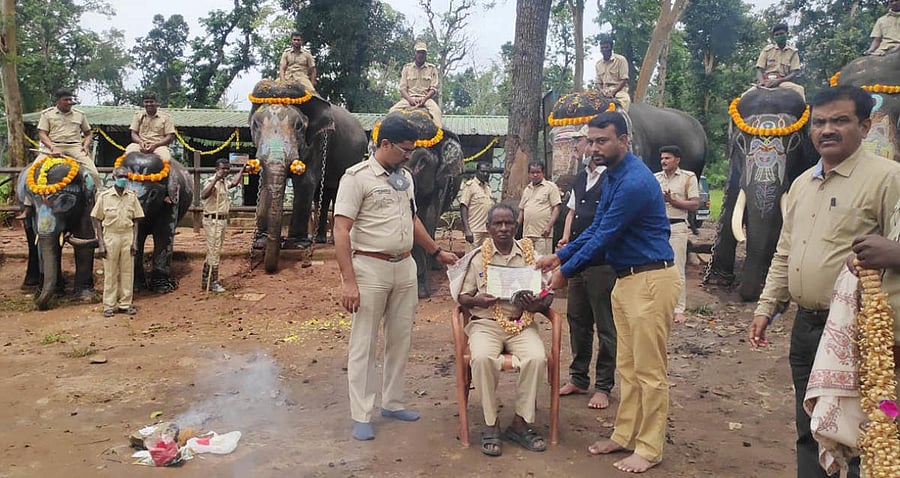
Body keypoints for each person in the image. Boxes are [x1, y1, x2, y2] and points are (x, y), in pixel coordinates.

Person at [747, 85, 900, 478]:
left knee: (862, 429)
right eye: (819, 122)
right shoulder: (801, 184)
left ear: (866, 126)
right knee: (811, 424)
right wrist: (767, 307)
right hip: (806, 326)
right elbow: (785, 252)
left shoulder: (888, 179)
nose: (827, 129)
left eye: (840, 120)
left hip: (859, 334)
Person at [536, 111, 681, 474]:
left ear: (624, 141)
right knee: (629, 369)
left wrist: (564, 273)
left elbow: (604, 237)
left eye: (603, 140)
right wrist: (559, 254)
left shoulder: (633, 181)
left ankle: (649, 447)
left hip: (650, 280)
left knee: (649, 372)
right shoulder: (613, 178)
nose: (594, 148)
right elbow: (596, 227)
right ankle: (625, 434)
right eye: (591, 140)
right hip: (626, 281)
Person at [333, 112, 457, 441]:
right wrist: (348, 280)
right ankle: (361, 413)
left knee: (400, 339)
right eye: (404, 150)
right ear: (384, 144)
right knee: (364, 342)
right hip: (369, 268)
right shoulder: (356, 177)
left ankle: (393, 401)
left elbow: (413, 219)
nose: (408, 156)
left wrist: (434, 252)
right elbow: (341, 230)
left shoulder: (405, 177)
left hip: (405, 268)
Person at [455, 203, 554, 457]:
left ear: (516, 225)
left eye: (508, 223)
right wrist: (478, 300)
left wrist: (538, 303)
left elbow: (547, 294)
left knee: (536, 357)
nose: (503, 228)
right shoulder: (478, 256)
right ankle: (491, 424)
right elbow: (462, 298)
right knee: (482, 358)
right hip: (486, 324)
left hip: (522, 323)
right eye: (497, 224)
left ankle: (520, 423)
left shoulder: (531, 253)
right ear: (488, 228)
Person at [556, 125, 618, 410]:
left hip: (602, 264)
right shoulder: (582, 178)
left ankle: (603, 385)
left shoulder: (611, 180)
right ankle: (579, 377)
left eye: (585, 142)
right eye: (584, 142)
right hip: (577, 259)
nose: (583, 147)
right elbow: (572, 212)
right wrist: (567, 239)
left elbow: (603, 230)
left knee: (605, 324)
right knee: (577, 320)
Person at [654, 145, 699, 325]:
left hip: (677, 227)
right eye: (662, 158)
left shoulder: (688, 178)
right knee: (656, 267)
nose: (664, 161)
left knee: (677, 268)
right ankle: (659, 305)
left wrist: (673, 201)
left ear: (677, 160)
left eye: (668, 158)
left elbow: (695, 204)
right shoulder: (655, 178)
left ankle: (678, 309)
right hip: (657, 228)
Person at [91, 167, 145, 318]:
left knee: (128, 271)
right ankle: (109, 305)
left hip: (127, 235)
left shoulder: (132, 197)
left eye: (126, 176)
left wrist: (135, 241)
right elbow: (97, 219)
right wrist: (101, 243)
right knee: (110, 272)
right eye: (120, 176)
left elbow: (136, 220)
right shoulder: (104, 196)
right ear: (114, 177)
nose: (123, 179)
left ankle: (125, 304)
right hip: (111, 236)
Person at [37, 88, 101, 192]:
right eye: (66, 100)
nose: (69, 102)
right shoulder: (47, 114)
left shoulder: (80, 115)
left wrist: (85, 146)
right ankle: (28, 203)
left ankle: (100, 197)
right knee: (35, 168)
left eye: (70, 100)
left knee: (93, 172)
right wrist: (52, 148)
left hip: (75, 147)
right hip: (52, 146)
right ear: (58, 101)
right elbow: (42, 134)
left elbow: (88, 134)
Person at [200, 158, 246, 293]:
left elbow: (235, 182)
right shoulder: (211, 181)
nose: (225, 171)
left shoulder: (225, 182)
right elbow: (204, 195)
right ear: (217, 169)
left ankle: (206, 279)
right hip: (212, 220)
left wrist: (242, 169)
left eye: (227, 169)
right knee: (213, 250)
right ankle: (212, 281)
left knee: (215, 250)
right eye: (223, 169)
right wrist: (215, 180)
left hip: (222, 220)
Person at [390, 42, 442, 127]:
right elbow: (402, 89)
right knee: (392, 111)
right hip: (409, 99)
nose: (421, 55)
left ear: (426, 54)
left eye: (423, 52)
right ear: (415, 53)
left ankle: (439, 137)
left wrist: (424, 99)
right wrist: (410, 100)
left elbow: (433, 89)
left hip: (426, 99)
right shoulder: (407, 68)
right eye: (419, 52)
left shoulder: (432, 68)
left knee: (437, 112)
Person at [518, 161, 561, 257]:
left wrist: (549, 226)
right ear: (528, 174)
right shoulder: (527, 189)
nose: (535, 175)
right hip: (527, 235)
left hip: (543, 235)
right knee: (527, 263)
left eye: (538, 172)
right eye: (532, 173)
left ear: (543, 173)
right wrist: (516, 226)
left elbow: (556, 208)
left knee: (542, 263)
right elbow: (522, 210)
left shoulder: (550, 187)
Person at [751, 23, 805, 99]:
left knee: (799, 89)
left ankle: (805, 111)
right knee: (745, 95)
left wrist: (779, 81)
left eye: (781, 34)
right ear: (774, 37)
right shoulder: (767, 51)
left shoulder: (793, 52)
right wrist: (762, 82)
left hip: (783, 82)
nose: (779, 36)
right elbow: (759, 69)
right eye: (776, 35)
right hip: (766, 81)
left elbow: (794, 72)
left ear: (787, 34)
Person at [125, 92, 175, 163]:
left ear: (156, 103)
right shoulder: (138, 115)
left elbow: (169, 136)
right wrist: (140, 142)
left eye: (151, 102)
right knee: (127, 155)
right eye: (146, 102)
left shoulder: (166, 117)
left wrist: (156, 145)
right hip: (140, 145)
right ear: (143, 103)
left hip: (159, 146)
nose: (149, 104)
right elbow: (133, 133)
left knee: (166, 158)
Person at [459, 161, 495, 252]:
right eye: (483, 171)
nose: (485, 174)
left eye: (487, 172)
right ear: (477, 171)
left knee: (486, 257)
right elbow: (463, 207)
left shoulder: (488, 187)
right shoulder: (470, 186)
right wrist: (467, 230)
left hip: (487, 231)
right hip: (474, 230)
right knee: (471, 257)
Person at [594, 38, 631, 111]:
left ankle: (622, 119)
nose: (604, 50)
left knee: (625, 100)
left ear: (611, 48)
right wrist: (602, 91)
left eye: (606, 47)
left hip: (619, 92)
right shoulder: (598, 64)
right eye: (602, 48)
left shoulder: (620, 60)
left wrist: (613, 92)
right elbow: (598, 82)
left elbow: (624, 79)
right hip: (603, 92)